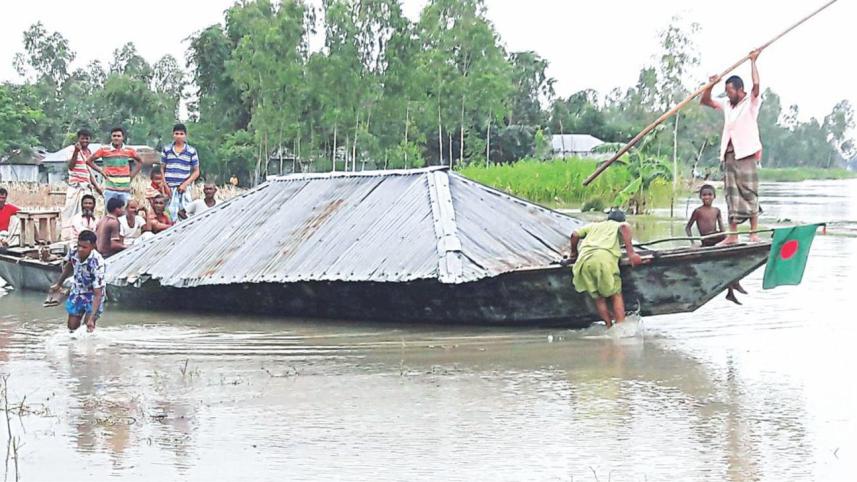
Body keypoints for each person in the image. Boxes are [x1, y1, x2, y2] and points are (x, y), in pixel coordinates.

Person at [701, 49, 764, 245]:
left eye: (730, 91)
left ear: (739, 90)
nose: (728, 95)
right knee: (731, 193)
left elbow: (756, 85)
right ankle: (733, 235)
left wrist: (753, 62)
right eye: (726, 92)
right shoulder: (728, 104)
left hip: (746, 153)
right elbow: (704, 100)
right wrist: (710, 85)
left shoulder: (750, 102)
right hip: (729, 154)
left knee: (749, 191)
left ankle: (753, 233)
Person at [569, 210, 643, 328]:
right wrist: (631, 254)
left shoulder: (593, 225)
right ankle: (620, 327)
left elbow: (574, 235)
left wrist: (573, 253)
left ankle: (608, 326)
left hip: (583, 262)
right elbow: (625, 227)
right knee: (615, 295)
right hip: (604, 260)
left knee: (599, 298)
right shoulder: (619, 225)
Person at [685, 184, 747, 305]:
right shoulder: (698, 211)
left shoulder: (717, 211)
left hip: (717, 238)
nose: (706, 197)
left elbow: (722, 228)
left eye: (709, 195)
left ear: (714, 197)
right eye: (704, 195)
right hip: (707, 240)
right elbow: (688, 227)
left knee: (728, 260)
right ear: (700, 197)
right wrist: (693, 242)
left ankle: (732, 288)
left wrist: (726, 238)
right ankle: (733, 285)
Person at [50, 230, 106, 333]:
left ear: (93, 246)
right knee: (72, 328)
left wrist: (91, 319)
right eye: (79, 245)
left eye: (84, 247)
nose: (80, 249)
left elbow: (98, 293)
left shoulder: (97, 263)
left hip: (92, 294)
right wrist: (58, 284)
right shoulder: (73, 250)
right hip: (77, 290)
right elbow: (69, 266)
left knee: (86, 330)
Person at [61, 129, 103, 240]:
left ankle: (87, 237)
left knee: (88, 212)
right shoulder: (72, 149)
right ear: (78, 139)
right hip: (75, 187)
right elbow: (71, 166)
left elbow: (89, 172)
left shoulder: (89, 152)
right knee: (70, 213)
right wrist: (76, 151)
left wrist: (97, 186)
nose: (85, 140)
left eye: (87, 138)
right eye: (83, 138)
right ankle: (69, 238)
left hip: (86, 187)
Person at [86, 127, 143, 207]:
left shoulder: (129, 150)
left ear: (123, 137)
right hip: (110, 188)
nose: (116, 138)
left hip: (125, 188)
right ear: (111, 137)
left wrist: (131, 175)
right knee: (109, 215)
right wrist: (101, 171)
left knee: (124, 214)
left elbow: (140, 161)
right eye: (114, 136)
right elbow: (88, 161)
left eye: (119, 136)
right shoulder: (104, 150)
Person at [161, 123, 200, 221]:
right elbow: (162, 168)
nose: (179, 136)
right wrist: (165, 186)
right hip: (170, 188)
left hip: (184, 189)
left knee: (185, 215)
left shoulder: (191, 151)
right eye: (176, 133)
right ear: (173, 135)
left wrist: (185, 184)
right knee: (169, 215)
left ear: (185, 135)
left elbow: (196, 171)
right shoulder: (167, 150)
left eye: (181, 134)